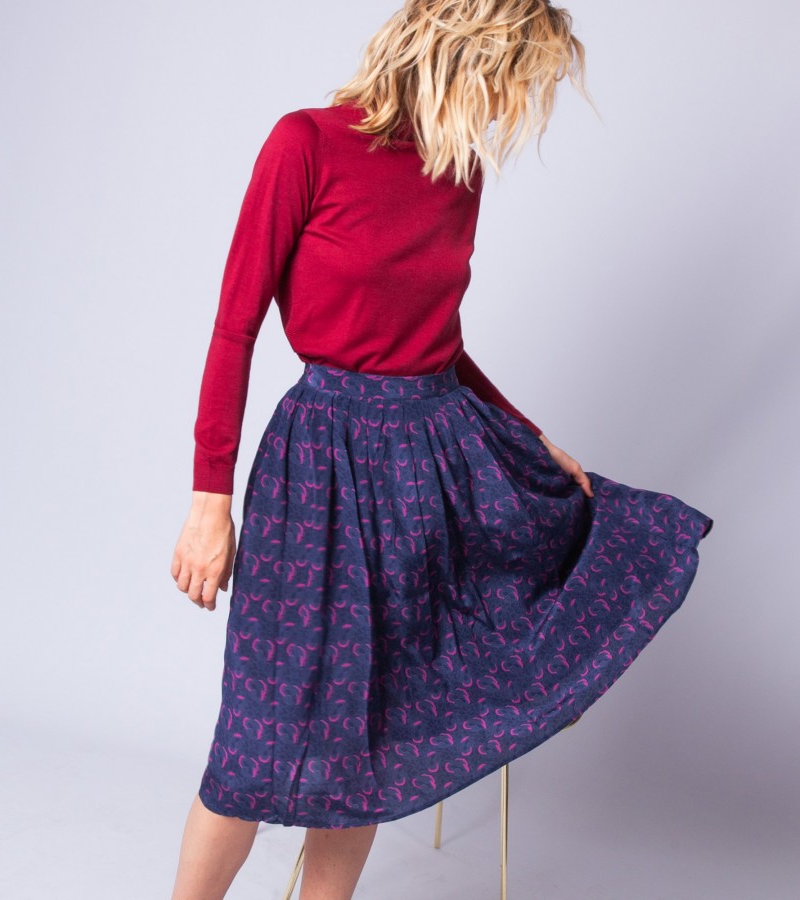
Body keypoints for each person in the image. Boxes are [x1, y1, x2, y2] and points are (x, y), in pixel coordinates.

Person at [169, 1, 714, 898]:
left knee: (371, 737)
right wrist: (208, 500)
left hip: (429, 463)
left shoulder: (459, 173)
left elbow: (436, 341)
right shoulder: (305, 143)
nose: (511, 104)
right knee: (258, 735)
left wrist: (531, 435)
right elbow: (235, 328)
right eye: (510, 78)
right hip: (321, 466)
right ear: (462, 53)